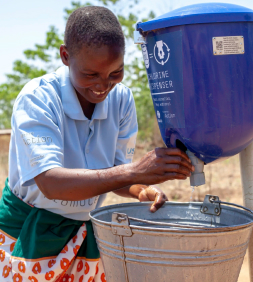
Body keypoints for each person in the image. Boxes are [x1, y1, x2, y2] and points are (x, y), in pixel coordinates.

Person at [0, 6, 194, 282]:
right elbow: (50, 183)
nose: (104, 85)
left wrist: (141, 189)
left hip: (84, 235)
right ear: (66, 57)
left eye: (116, 72)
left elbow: (115, 171)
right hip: (30, 231)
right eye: (91, 74)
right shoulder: (38, 99)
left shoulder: (121, 101)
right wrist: (135, 171)